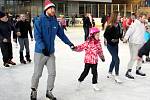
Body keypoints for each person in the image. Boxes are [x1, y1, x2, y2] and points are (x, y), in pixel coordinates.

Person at [30, 0, 75, 100]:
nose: (54, 10)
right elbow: (37, 36)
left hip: (50, 53)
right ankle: (33, 91)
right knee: (37, 73)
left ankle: (49, 91)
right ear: (47, 9)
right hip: (40, 53)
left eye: (54, 8)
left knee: (52, 73)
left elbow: (61, 35)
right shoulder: (39, 20)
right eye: (52, 8)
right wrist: (43, 48)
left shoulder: (55, 21)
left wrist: (70, 44)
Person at [123, 14, 147, 79]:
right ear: (140, 17)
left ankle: (138, 69)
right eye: (143, 18)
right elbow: (129, 32)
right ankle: (128, 71)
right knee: (133, 57)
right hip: (134, 43)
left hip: (141, 43)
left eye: (145, 18)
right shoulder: (134, 24)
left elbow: (142, 34)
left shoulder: (143, 25)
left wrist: (144, 42)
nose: (144, 19)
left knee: (140, 57)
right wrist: (125, 38)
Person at [104, 11, 123, 83]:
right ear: (115, 16)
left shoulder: (119, 24)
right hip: (110, 45)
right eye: (118, 15)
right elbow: (105, 35)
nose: (120, 16)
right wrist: (111, 40)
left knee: (114, 59)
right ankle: (117, 76)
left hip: (116, 45)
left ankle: (109, 72)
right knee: (117, 59)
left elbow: (120, 34)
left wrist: (121, 38)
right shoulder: (110, 25)